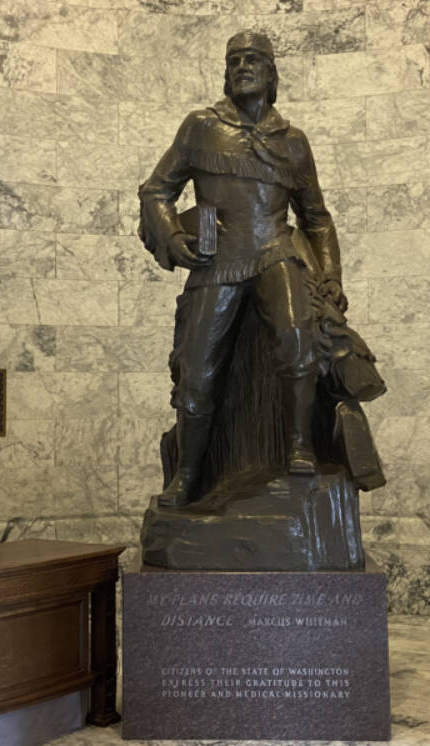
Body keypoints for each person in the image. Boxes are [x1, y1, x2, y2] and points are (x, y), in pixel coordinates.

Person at [139, 30, 348, 509]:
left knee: (298, 337)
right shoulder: (200, 126)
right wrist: (173, 237)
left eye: (253, 60)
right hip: (219, 260)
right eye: (234, 60)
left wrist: (332, 276)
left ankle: (300, 446)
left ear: (272, 73)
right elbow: (156, 190)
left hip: (276, 250)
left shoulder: (293, 142)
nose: (242, 67)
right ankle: (187, 475)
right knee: (195, 373)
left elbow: (316, 218)